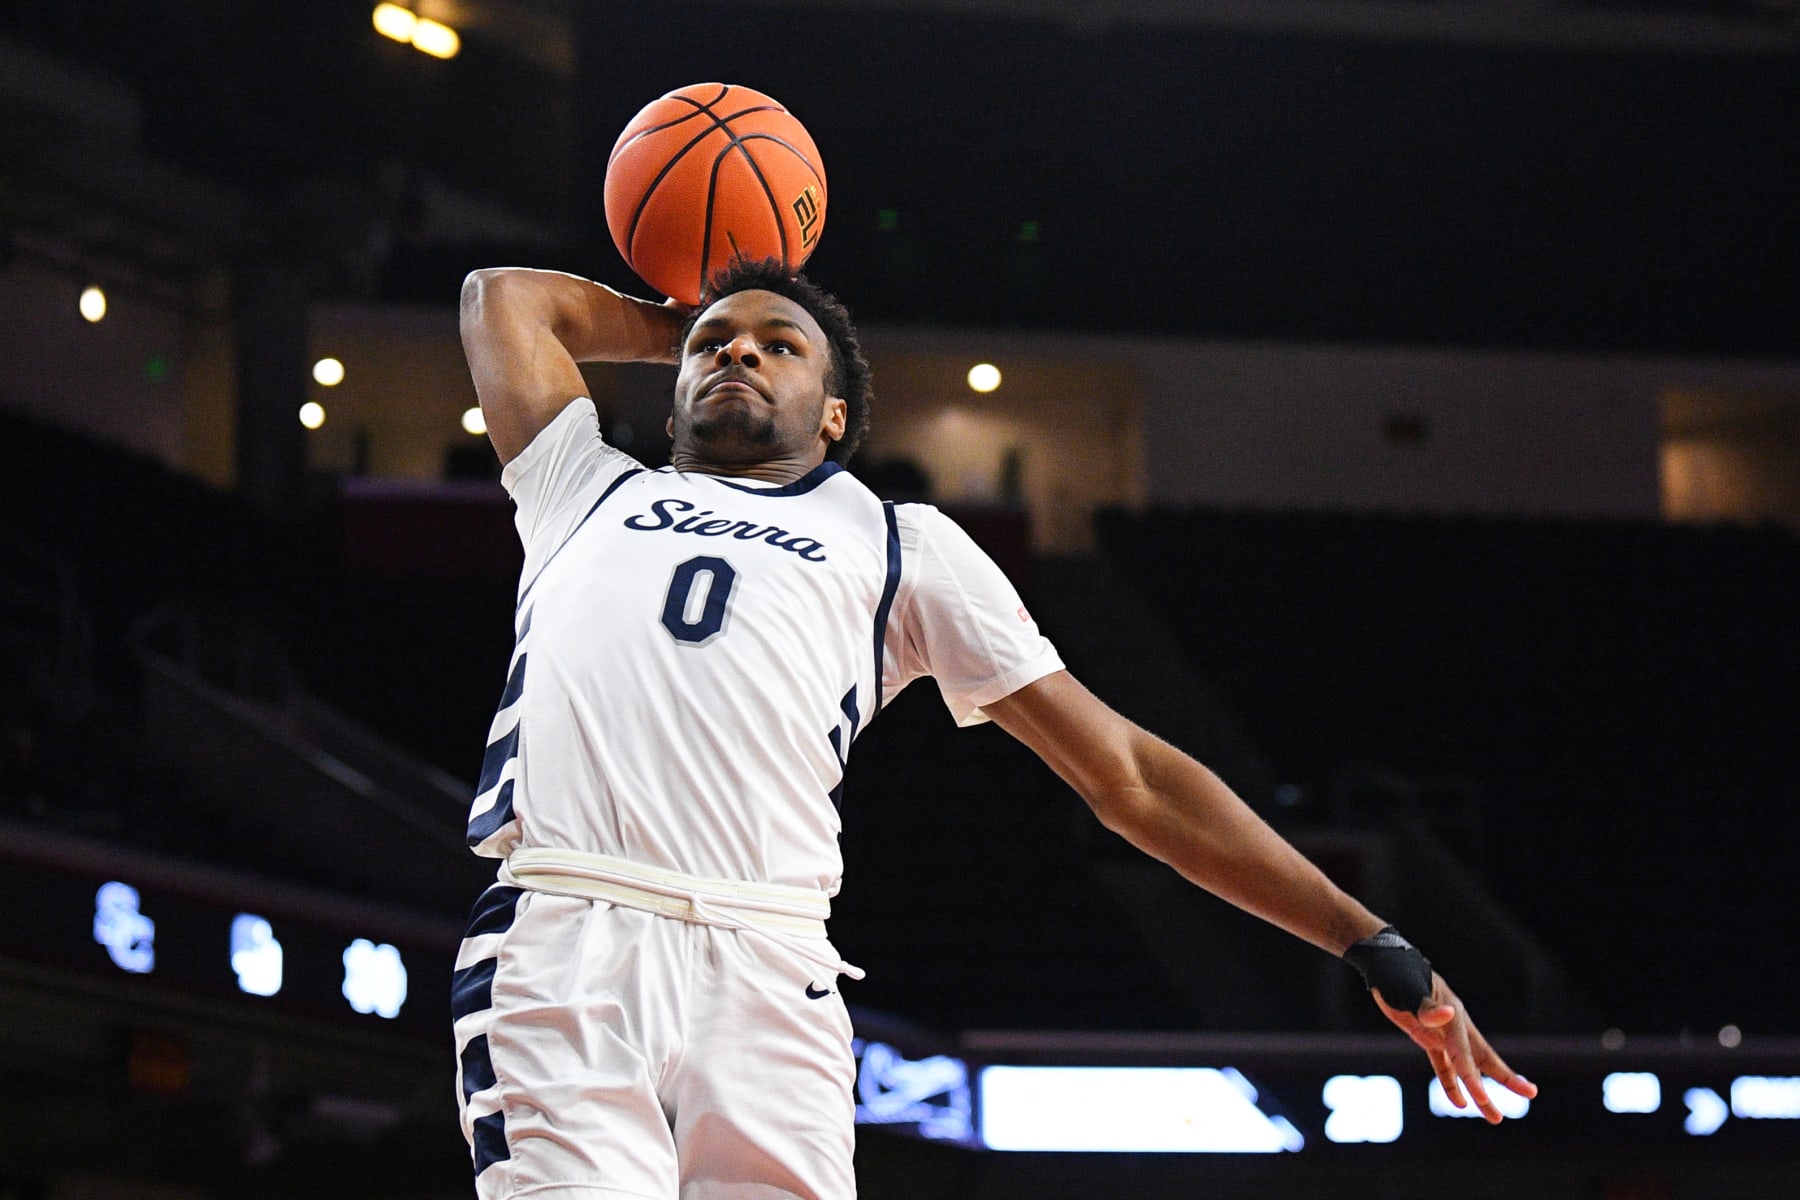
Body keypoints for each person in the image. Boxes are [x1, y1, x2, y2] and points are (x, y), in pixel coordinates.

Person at [451, 257, 1536, 1200]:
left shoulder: (898, 542)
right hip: (573, 928)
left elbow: (1131, 779)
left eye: (780, 347)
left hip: (774, 962)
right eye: (712, 349)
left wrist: (1367, 934)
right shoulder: (577, 485)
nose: (738, 355)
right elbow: (500, 300)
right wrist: (694, 308)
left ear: (834, 414)